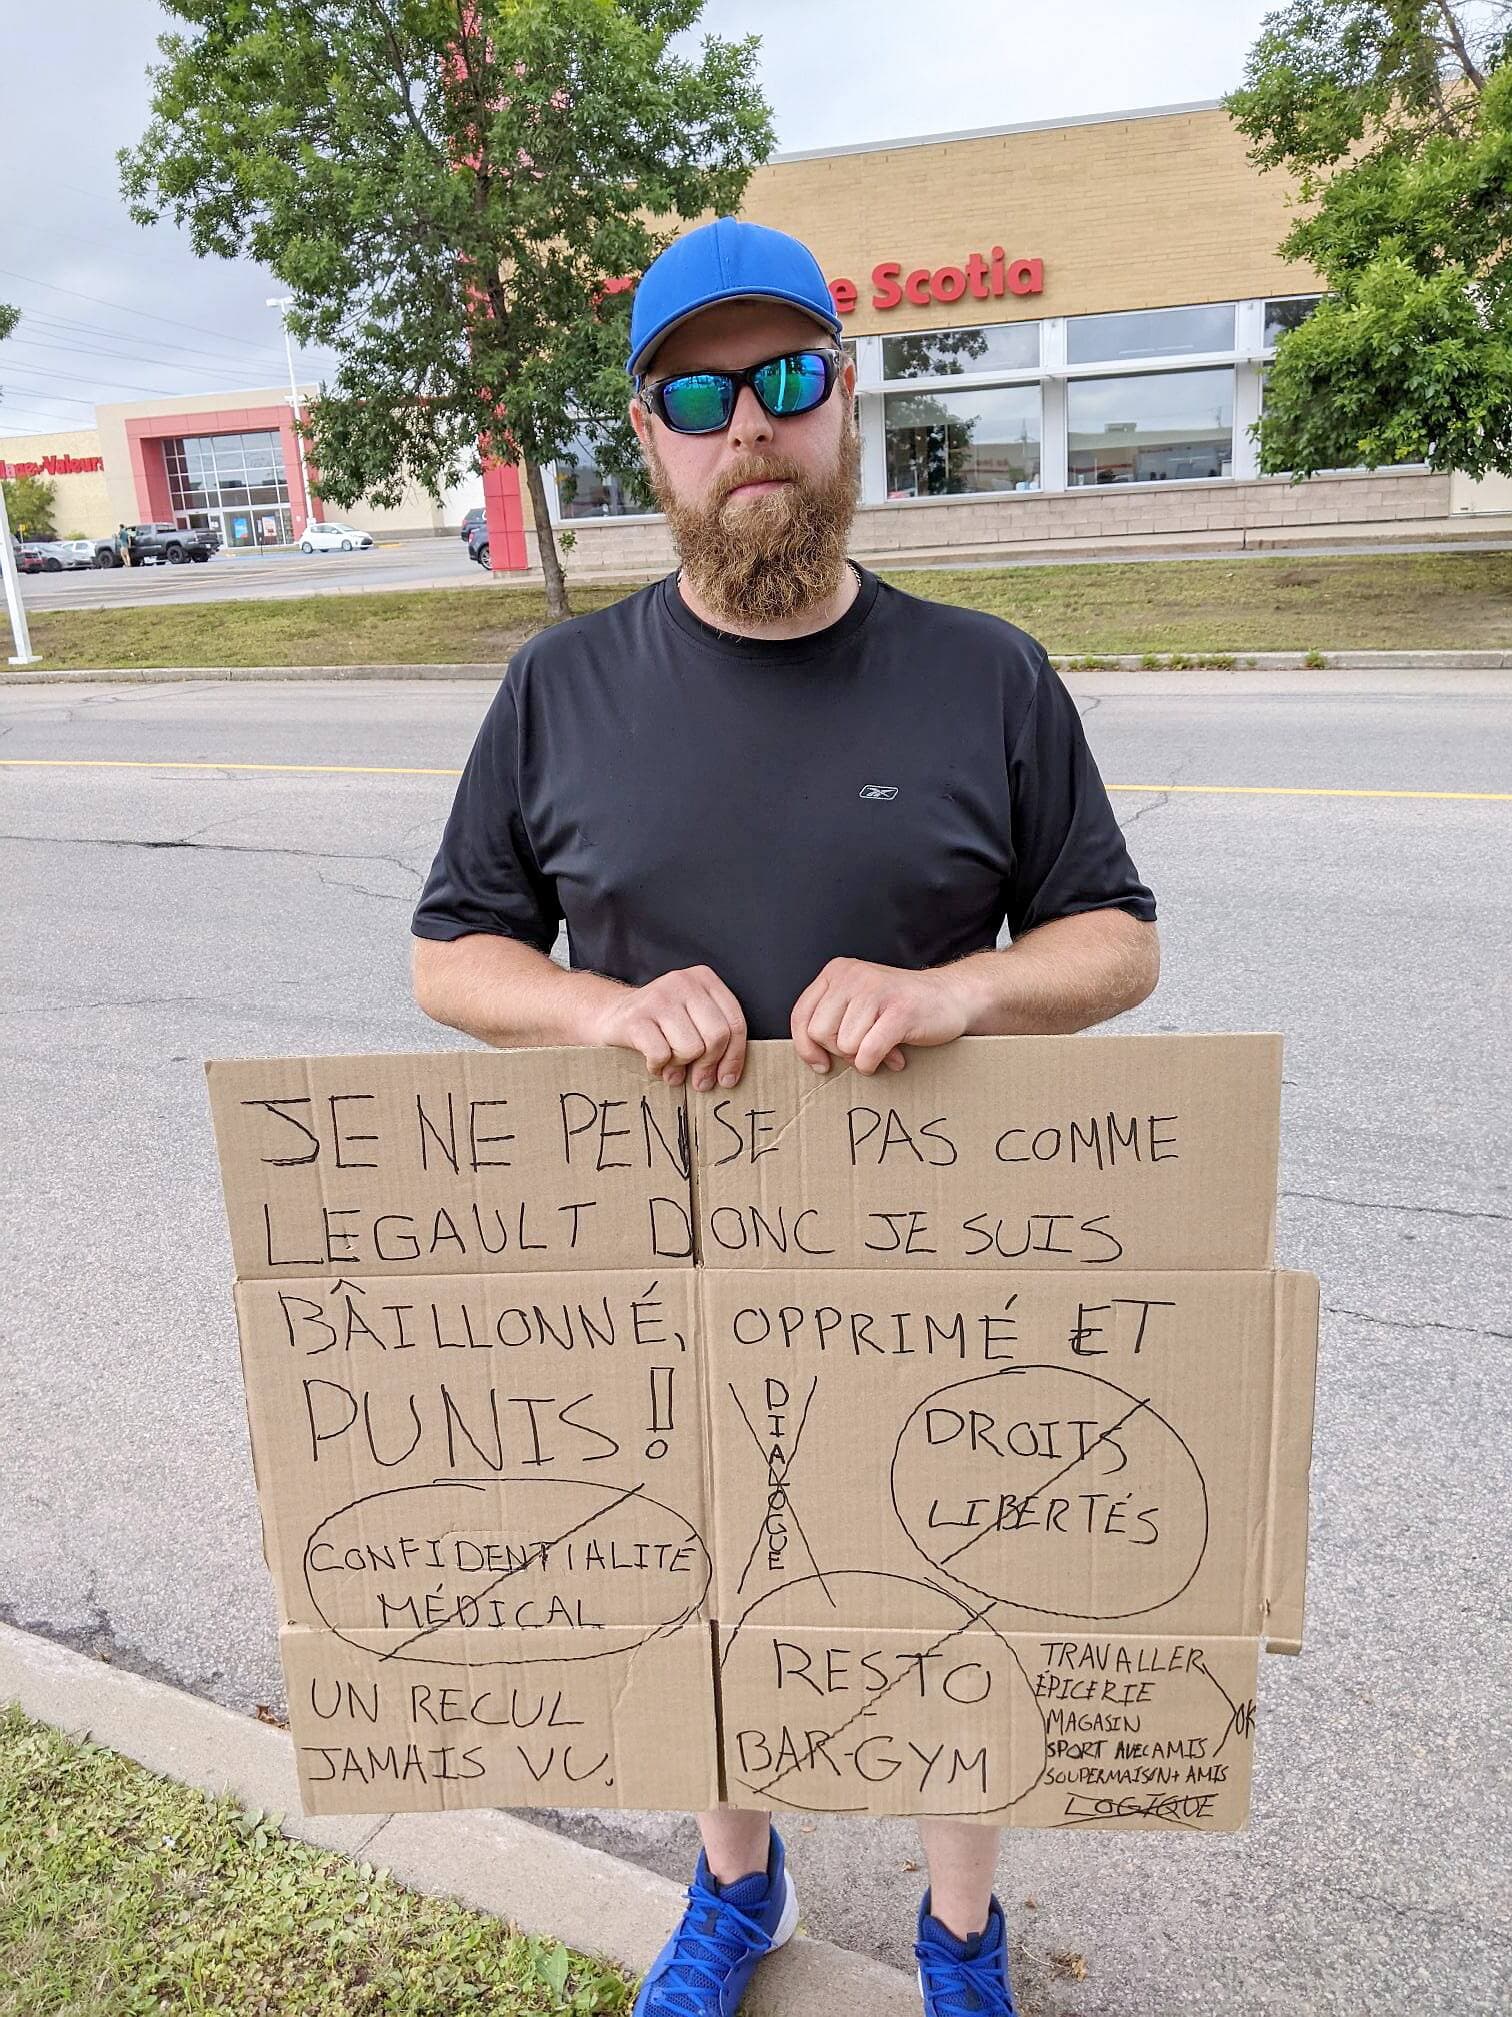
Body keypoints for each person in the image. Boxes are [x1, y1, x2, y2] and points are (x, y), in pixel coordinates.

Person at [411, 216, 1160, 2017]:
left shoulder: (987, 671)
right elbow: (452, 954)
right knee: (701, 1581)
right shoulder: (559, 689)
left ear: (845, 403)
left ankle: (960, 1932)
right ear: (652, 437)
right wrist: (596, 1004)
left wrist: (962, 988)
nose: (748, 423)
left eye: (788, 378)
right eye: (697, 392)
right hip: (658, 1259)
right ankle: (736, 1888)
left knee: (950, 1579)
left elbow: (1117, 939)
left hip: (941, 1252)